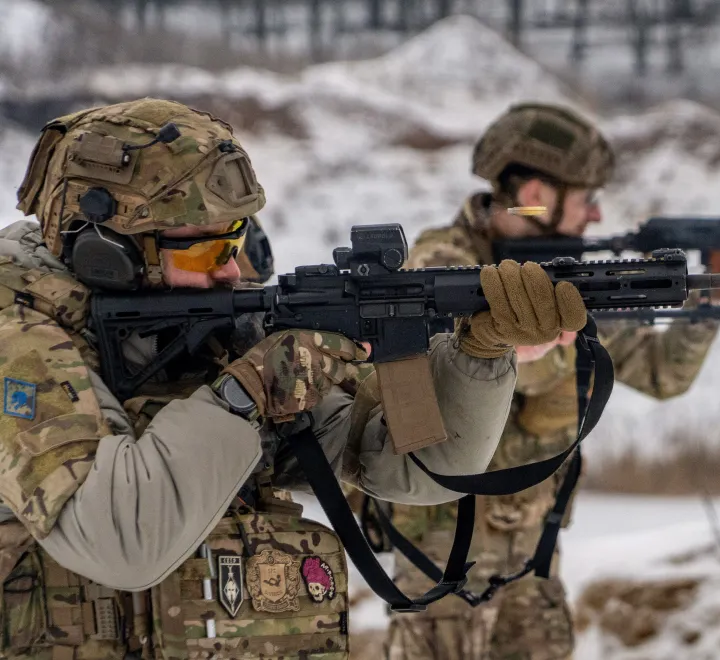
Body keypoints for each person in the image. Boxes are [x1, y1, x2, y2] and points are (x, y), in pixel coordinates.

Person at [0, 98, 587, 659]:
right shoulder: (16, 337)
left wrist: (477, 354)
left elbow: (413, 469)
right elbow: (122, 541)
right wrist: (250, 391)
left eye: (234, 242)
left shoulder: (202, 329)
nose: (234, 270)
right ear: (111, 252)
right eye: (207, 254)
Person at [384, 103, 720, 660]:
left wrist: (709, 293)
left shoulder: (568, 271)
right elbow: (501, 367)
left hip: (535, 560)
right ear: (537, 192)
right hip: (445, 562)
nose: (595, 215)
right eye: (586, 198)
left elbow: (662, 374)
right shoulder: (442, 264)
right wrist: (569, 326)